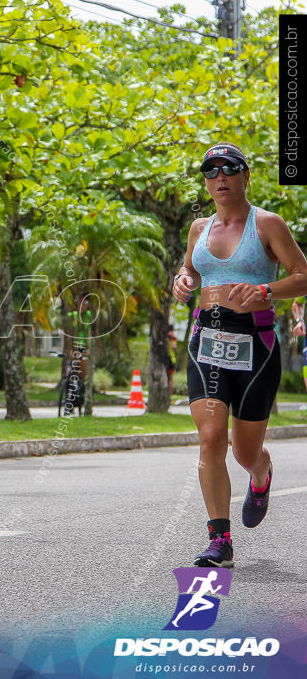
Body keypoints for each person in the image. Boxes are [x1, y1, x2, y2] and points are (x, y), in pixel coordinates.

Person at [173, 142, 307, 568]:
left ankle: (261, 474)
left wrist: (266, 291)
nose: (220, 178)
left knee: (244, 452)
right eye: (211, 172)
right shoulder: (199, 228)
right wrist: (182, 280)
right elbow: (190, 270)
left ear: (246, 177)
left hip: (256, 345)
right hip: (206, 342)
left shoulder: (267, 224)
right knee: (211, 439)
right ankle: (220, 540)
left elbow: (303, 276)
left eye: (229, 170)